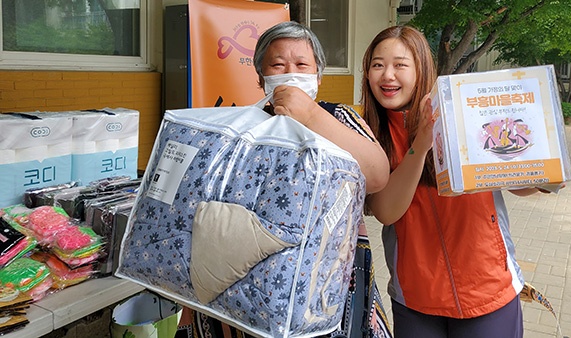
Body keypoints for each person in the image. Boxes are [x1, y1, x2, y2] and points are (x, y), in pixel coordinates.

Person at [178, 21, 393, 338]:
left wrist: (309, 115)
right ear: (261, 77)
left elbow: (376, 175)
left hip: (327, 284)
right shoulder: (242, 128)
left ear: (318, 76)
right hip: (248, 281)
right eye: (278, 65)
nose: (291, 72)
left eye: (302, 64)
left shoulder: (339, 117)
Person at [361, 25, 549, 338]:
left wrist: (542, 176)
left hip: (488, 289)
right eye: (378, 65)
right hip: (416, 296)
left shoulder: (462, 113)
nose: (388, 75)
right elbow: (386, 212)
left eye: (400, 65)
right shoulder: (366, 133)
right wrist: (420, 146)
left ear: (421, 69)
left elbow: (514, 181)